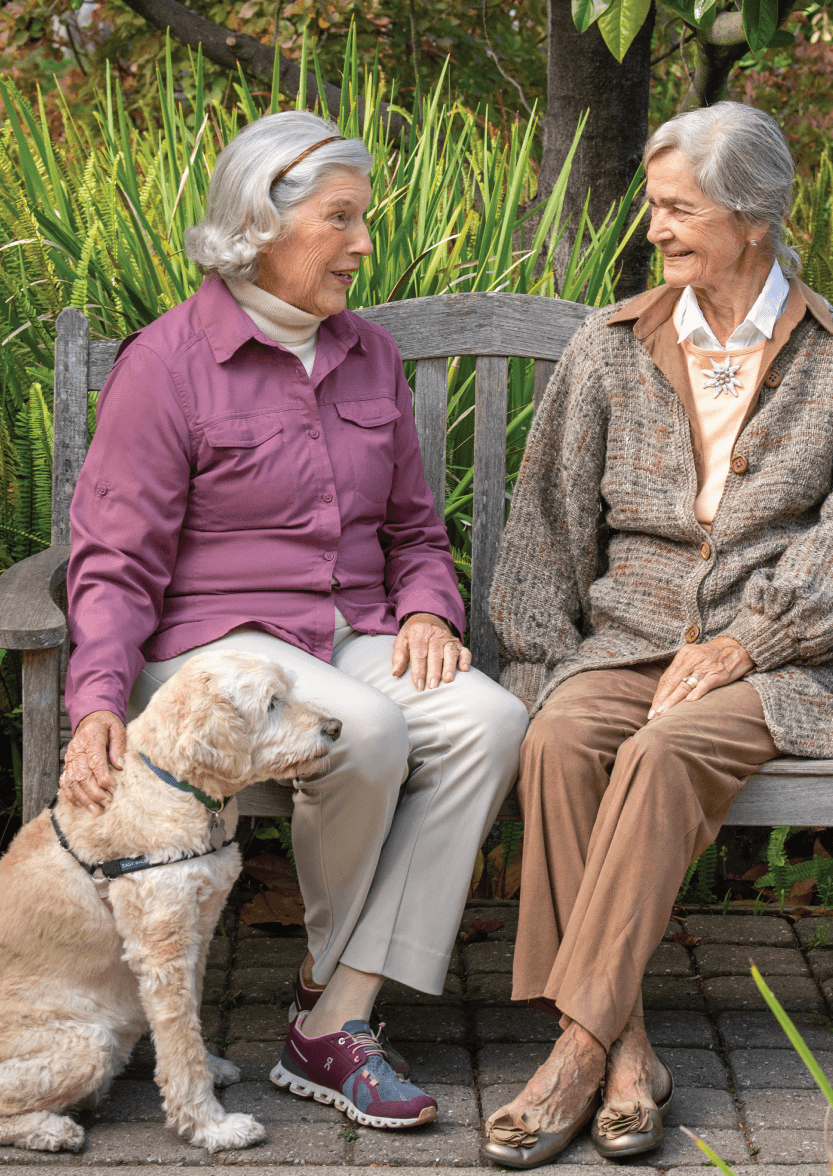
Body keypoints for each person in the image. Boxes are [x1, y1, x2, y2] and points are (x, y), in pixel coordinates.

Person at [60, 109, 528, 1131]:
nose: (364, 244)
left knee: (490, 720)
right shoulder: (168, 365)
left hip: (346, 631)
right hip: (214, 657)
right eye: (341, 219)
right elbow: (115, 559)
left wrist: (425, 608)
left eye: (364, 220)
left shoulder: (368, 356)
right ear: (259, 227)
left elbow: (414, 526)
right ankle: (336, 1015)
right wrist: (96, 695)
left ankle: (336, 1009)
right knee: (361, 728)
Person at [485, 101, 833, 1167]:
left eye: (677, 209)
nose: (654, 229)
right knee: (562, 738)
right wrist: (543, 662)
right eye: (653, 206)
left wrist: (748, 644)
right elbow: (543, 522)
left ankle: (571, 1057)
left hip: (777, 670)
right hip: (620, 644)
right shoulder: (610, 345)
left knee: (665, 750)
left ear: (752, 216)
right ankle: (626, 1051)